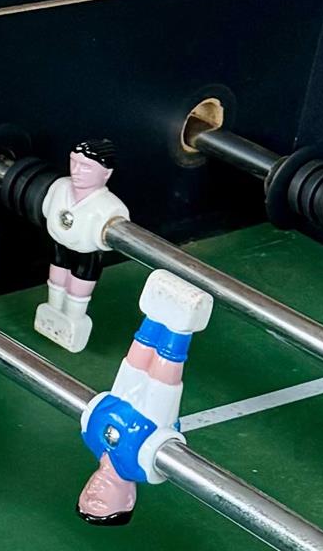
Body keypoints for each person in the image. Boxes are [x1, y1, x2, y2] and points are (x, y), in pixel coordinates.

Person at [78, 271, 213, 524]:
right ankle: (181, 326)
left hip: (120, 397)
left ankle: (155, 315)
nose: (93, 491)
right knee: (163, 375)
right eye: (99, 501)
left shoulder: (91, 438)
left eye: (86, 496)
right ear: (128, 500)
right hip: (150, 418)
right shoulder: (143, 466)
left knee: (135, 360)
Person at [36, 141, 124, 353]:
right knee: (57, 280)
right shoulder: (59, 188)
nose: (76, 171)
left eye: (86, 167)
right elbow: (47, 210)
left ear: (106, 173)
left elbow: (112, 237)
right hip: (59, 247)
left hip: (87, 255)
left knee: (78, 289)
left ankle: (73, 320)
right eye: (73, 162)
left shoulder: (111, 208)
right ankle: (52, 313)